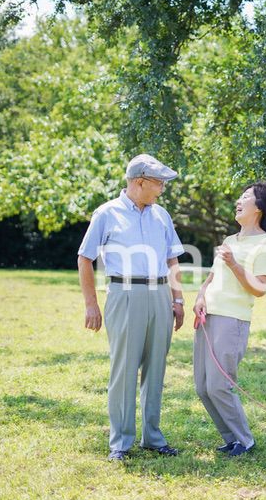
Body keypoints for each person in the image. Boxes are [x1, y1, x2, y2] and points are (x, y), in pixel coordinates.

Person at [77, 154, 186, 462]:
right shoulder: (106, 213)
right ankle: (120, 443)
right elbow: (85, 258)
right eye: (159, 182)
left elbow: (172, 259)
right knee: (124, 369)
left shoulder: (161, 215)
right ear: (140, 181)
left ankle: (152, 437)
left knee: (156, 367)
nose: (163, 188)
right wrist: (90, 304)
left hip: (160, 294)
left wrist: (177, 299)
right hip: (123, 294)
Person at [193, 181, 266, 457]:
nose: (238, 201)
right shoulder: (230, 240)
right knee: (203, 386)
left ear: (260, 208)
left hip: (233, 321)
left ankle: (245, 440)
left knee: (219, 384)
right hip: (208, 317)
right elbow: (212, 276)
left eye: (245, 197)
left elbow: (260, 287)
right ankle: (232, 440)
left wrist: (234, 264)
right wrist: (200, 297)